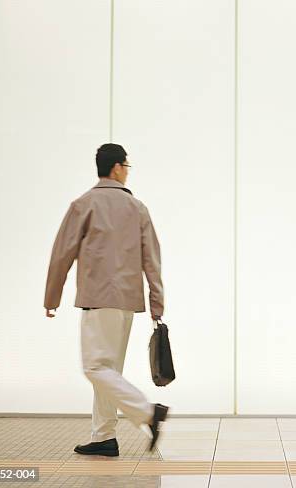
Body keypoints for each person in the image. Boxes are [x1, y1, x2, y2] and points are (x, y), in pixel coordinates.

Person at [44, 143, 169, 456]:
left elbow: (62, 254)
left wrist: (52, 297)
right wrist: (156, 303)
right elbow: (152, 260)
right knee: (108, 369)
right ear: (116, 168)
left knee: (95, 368)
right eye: (127, 165)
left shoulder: (83, 204)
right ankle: (103, 437)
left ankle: (148, 412)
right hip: (127, 302)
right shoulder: (138, 208)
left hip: (98, 300)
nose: (127, 171)